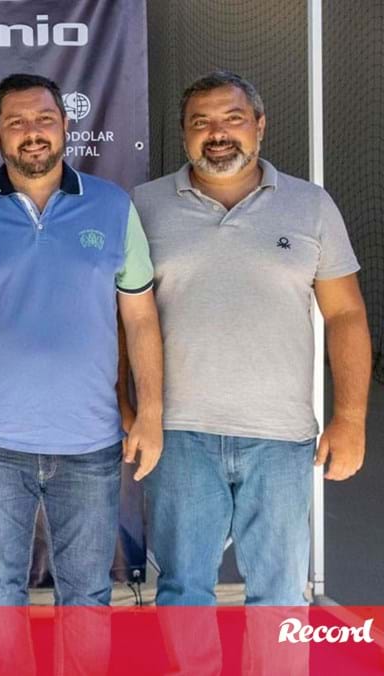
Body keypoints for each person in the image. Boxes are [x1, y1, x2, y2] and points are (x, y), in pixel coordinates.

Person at [0, 73, 164, 672]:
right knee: (0, 586)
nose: (33, 133)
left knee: (87, 594)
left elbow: (140, 319)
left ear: (65, 126)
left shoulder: (112, 206)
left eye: (45, 120)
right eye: (18, 122)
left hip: (90, 443)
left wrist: (150, 412)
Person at [133, 74, 368, 672]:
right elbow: (120, 320)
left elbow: (345, 314)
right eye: (201, 122)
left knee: (281, 596)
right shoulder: (144, 205)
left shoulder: (310, 205)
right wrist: (130, 410)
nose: (217, 134)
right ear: (183, 134)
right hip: (178, 436)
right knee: (185, 590)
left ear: (259, 125)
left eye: (232, 119)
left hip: (281, 438)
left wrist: (350, 419)